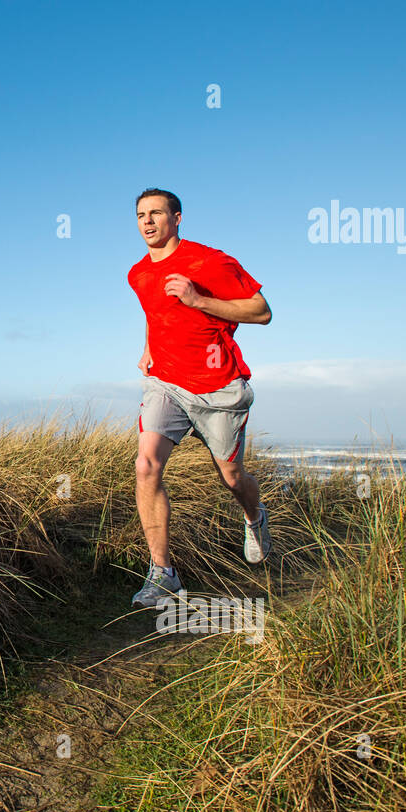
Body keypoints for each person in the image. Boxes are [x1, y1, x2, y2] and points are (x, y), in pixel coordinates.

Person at [126, 188, 272, 609]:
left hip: (218, 388)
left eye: (157, 213)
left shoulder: (210, 261)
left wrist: (197, 299)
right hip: (166, 383)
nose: (148, 221)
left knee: (232, 478)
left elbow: (261, 310)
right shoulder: (137, 273)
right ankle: (163, 574)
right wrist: (150, 345)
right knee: (146, 463)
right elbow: (155, 313)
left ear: (177, 218)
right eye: (140, 215)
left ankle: (254, 517)